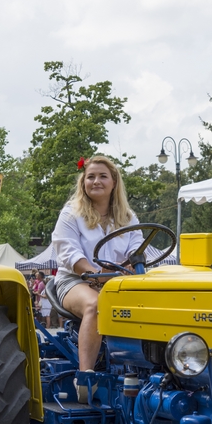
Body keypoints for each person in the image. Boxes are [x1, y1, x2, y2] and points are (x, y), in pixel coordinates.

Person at [51, 155, 146, 391]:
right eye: (90, 176)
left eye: (103, 176)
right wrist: (95, 274)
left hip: (117, 281)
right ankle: (85, 379)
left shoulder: (127, 217)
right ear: (83, 182)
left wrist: (132, 265)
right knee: (95, 305)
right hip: (75, 280)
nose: (96, 181)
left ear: (114, 182)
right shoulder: (71, 214)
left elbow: (137, 248)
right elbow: (69, 253)